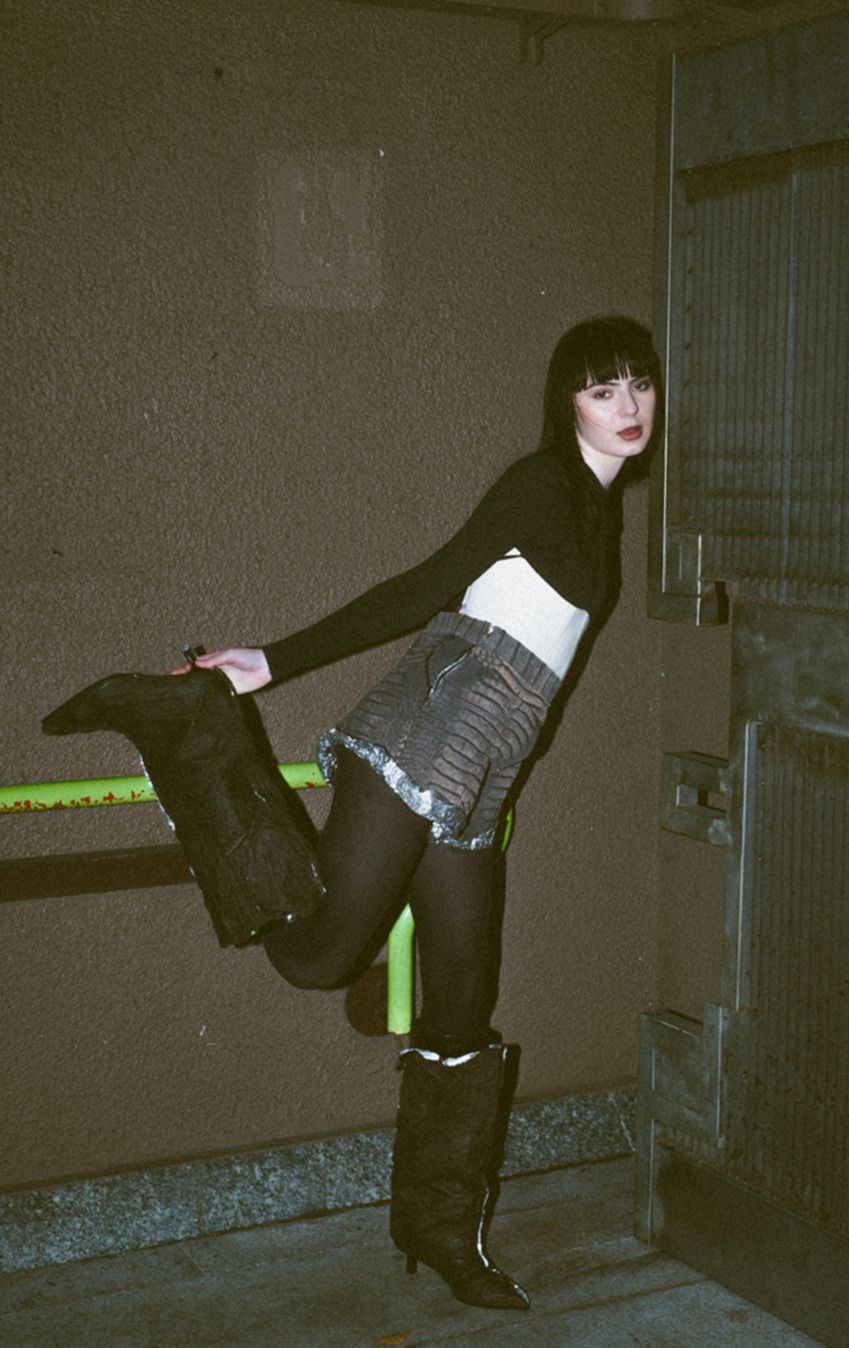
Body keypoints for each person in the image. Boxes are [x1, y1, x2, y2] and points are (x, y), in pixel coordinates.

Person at [43, 315, 658, 1312]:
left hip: (484, 766)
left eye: (639, 383)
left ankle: (437, 1227)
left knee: (462, 998)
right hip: (427, 728)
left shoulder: (600, 508)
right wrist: (270, 662)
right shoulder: (543, 485)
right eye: (602, 389)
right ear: (568, 402)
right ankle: (191, 739)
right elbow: (426, 586)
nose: (628, 406)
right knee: (319, 956)